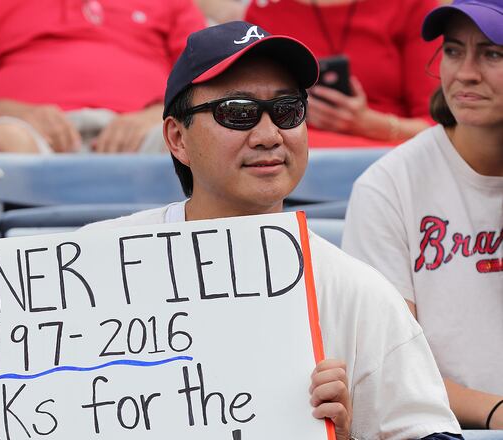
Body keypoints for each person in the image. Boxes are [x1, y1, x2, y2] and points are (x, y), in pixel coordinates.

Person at [83, 20, 462, 439]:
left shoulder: (358, 291)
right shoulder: (95, 264)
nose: (269, 135)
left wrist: (348, 437)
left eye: (287, 110)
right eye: (238, 113)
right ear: (177, 139)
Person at [342, 0, 502, 435]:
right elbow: (388, 363)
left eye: (493, 54)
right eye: (452, 51)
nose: (465, 73)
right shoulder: (389, 186)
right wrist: (495, 411)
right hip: (440, 429)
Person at [0, 0, 206, 158]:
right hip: (31, 136)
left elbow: (206, 80)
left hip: (145, 134)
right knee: (1, 140)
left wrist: (159, 115)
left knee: (198, 140)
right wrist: (16, 113)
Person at [196, 0, 441, 147]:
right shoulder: (265, 11)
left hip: (384, 159)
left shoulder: (411, 6)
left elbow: (441, 126)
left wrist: (368, 124)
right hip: (287, 159)